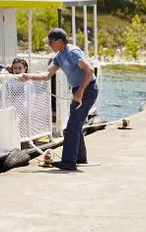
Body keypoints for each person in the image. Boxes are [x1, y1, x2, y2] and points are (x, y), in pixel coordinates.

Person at [19, 28, 97, 171]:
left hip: (88, 89)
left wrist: (80, 91)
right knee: (75, 125)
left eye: (51, 41)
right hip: (78, 91)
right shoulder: (59, 56)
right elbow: (47, 75)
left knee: (72, 126)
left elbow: (89, 70)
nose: (49, 44)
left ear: (61, 41)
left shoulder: (72, 52)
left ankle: (68, 162)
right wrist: (28, 76)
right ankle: (80, 158)